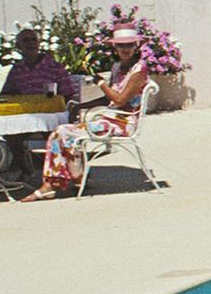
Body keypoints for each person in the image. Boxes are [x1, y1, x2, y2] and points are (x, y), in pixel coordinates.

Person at [20, 26, 155, 201]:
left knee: (63, 132)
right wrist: (82, 106)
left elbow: (120, 100)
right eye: (121, 46)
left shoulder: (139, 71)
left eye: (129, 45)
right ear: (115, 48)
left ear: (136, 45)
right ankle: (72, 179)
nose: (125, 49)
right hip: (109, 117)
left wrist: (100, 83)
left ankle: (53, 184)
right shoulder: (117, 67)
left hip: (123, 122)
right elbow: (108, 100)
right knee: (62, 132)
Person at [0, 28, 81, 101]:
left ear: (38, 44)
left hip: (51, 113)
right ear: (18, 46)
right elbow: (6, 95)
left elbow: (68, 96)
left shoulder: (55, 68)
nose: (31, 43)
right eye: (26, 40)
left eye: (34, 40)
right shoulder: (16, 70)